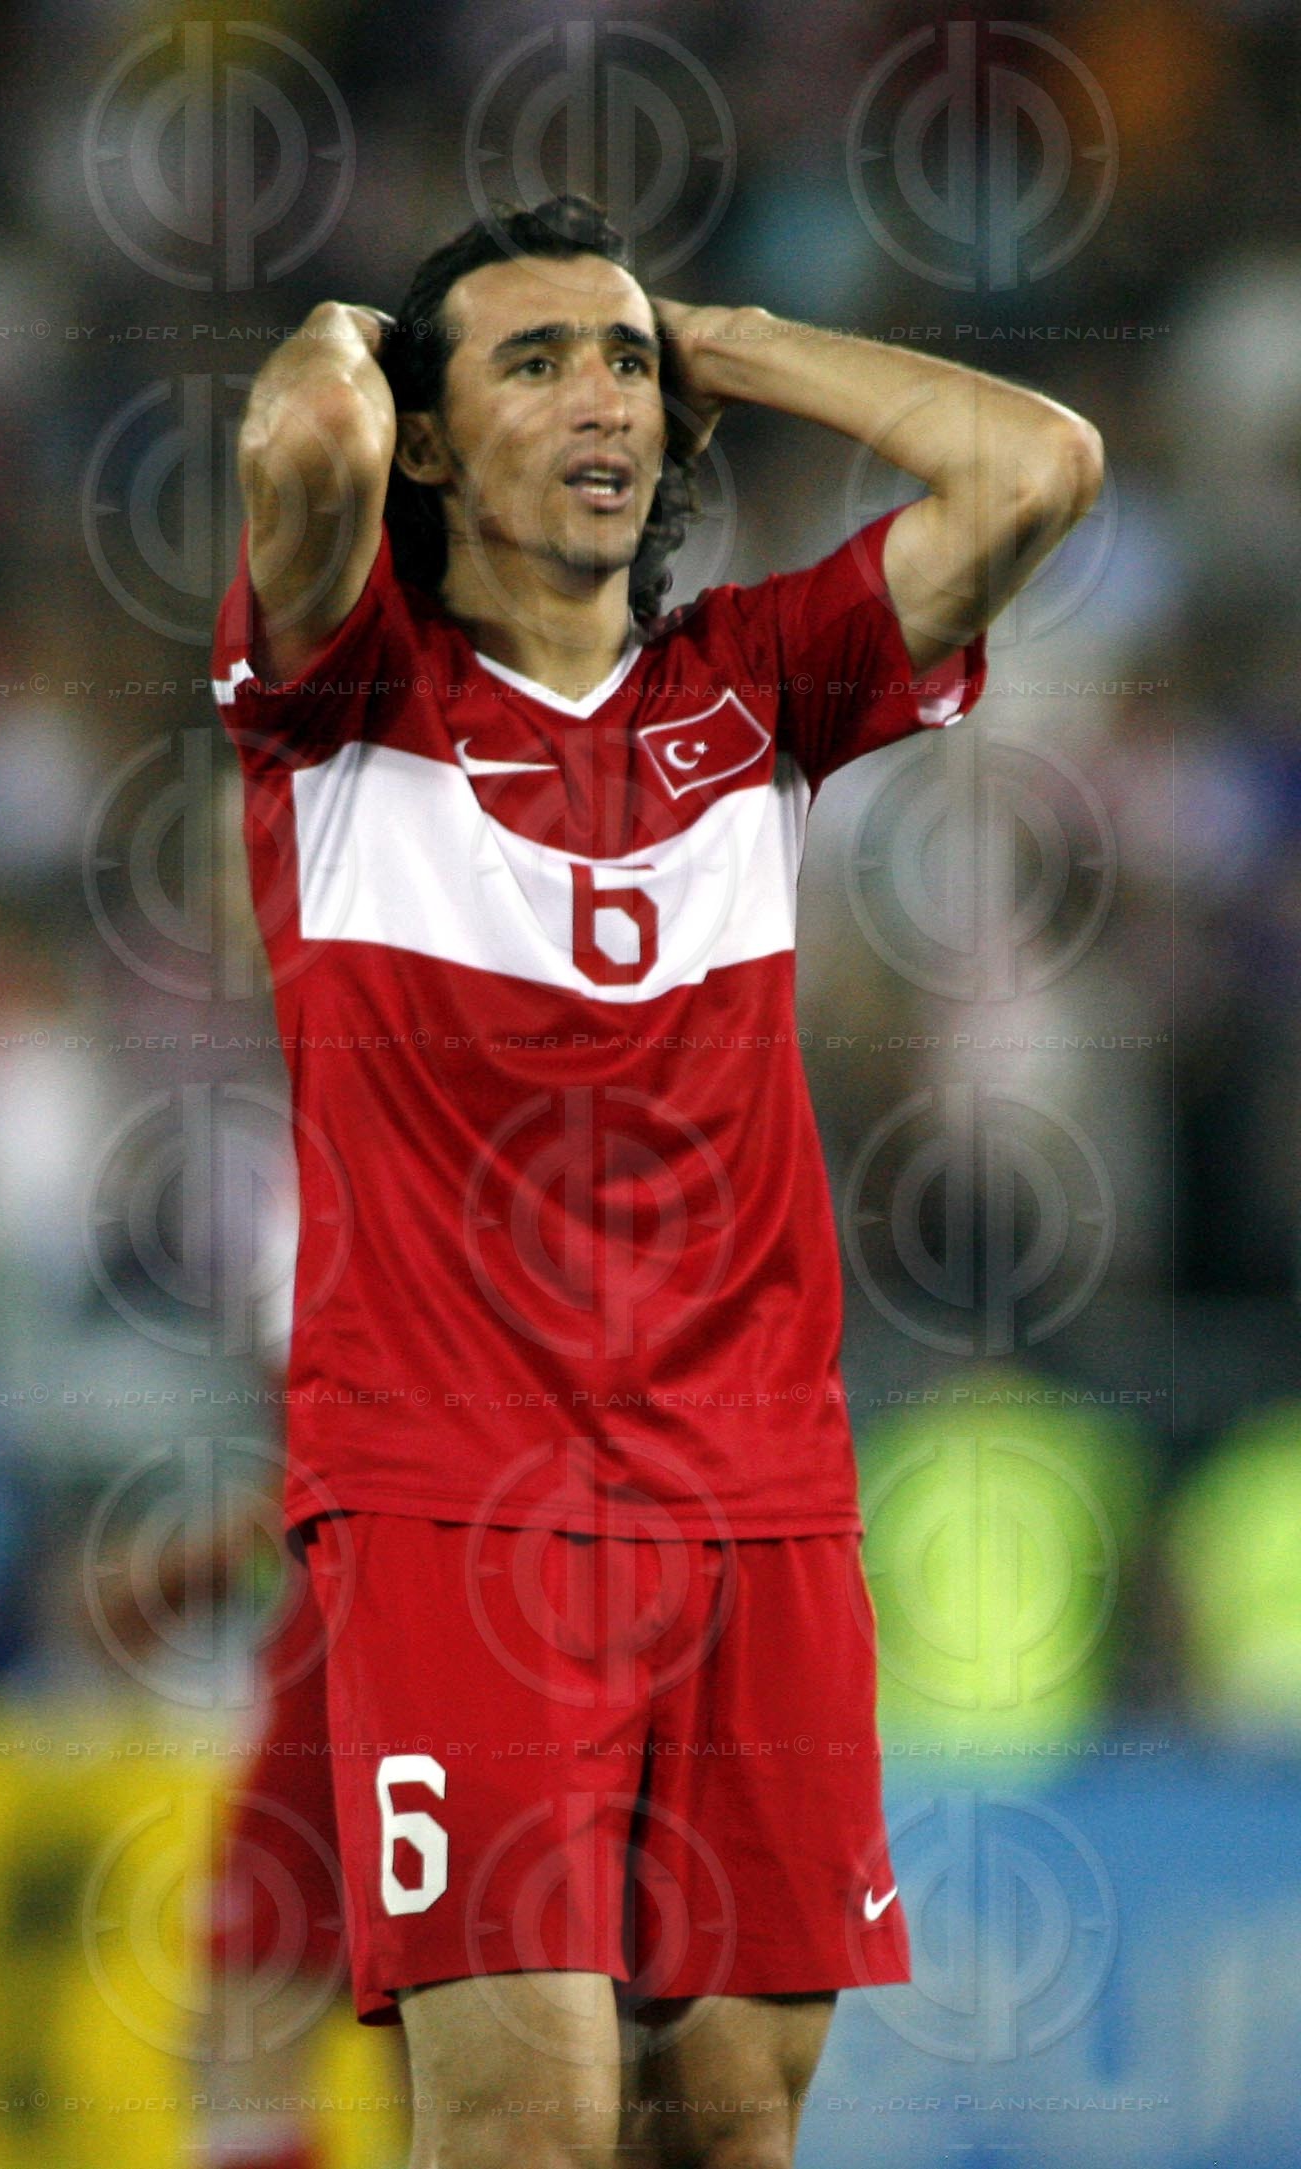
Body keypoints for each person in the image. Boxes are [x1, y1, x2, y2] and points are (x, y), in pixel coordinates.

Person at [214, 195, 1102, 2168]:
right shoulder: (347, 695)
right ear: (426, 439)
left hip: (758, 1501)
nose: (601, 396)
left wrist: (731, 339)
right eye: (534, 363)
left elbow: (1035, 464)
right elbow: (295, 447)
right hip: (458, 1505)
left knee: (725, 2133)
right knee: (526, 2128)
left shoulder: (757, 686)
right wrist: (372, 324)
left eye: (622, 363)